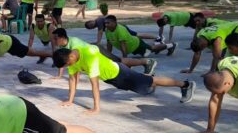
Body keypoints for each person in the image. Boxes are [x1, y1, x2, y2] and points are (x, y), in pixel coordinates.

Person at [52, 47, 196, 114]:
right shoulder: (71, 59)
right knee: (144, 88)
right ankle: (149, 80)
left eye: (67, 65)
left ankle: (185, 84)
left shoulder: (88, 55)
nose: (69, 67)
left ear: (70, 57)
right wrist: (70, 100)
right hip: (111, 79)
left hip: (120, 73)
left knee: (151, 82)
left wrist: (96, 108)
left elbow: (94, 84)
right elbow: (72, 79)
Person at [51, 28, 157, 78]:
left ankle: (146, 61)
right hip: (94, 55)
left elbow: (75, 65)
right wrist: (59, 76)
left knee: (119, 61)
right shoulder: (62, 45)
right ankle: (143, 63)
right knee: (120, 62)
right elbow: (65, 61)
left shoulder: (74, 43)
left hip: (97, 51)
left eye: (56, 38)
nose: (54, 40)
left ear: (62, 37)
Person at [105, 15, 177, 57]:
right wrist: (108, 56)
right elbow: (109, 45)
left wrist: (125, 58)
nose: (106, 25)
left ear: (114, 22)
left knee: (152, 49)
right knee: (147, 53)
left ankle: (171, 45)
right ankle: (165, 47)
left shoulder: (120, 30)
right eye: (105, 23)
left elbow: (123, 46)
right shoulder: (107, 31)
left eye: (108, 23)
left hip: (137, 45)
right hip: (132, 48)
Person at [85, 15, 155, 45]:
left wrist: (98, 42)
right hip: (120, 28)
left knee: (136, 35)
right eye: (91, 27)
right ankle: (155, 38)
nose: (92, 26)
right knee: (136, 36)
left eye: (91, 25)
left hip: (121, 28)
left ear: (91, 22)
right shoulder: (99, 22)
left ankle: (156, 37)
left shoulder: (98, 21)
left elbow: (100, 32)